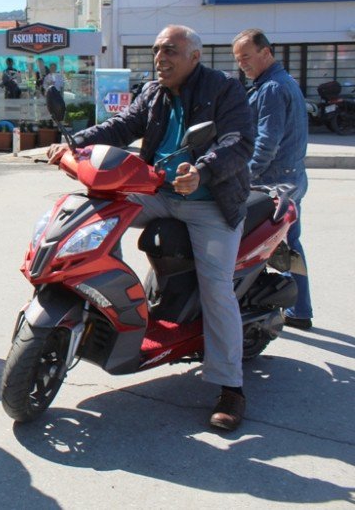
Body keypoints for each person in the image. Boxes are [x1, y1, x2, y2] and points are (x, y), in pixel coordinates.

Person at [47, 24, 254, 431]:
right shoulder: (154, 92)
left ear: (194, 56)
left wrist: (202, 172)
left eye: (170, 50)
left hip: (209, 201)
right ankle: (109, 301)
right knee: (97, 215)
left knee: (217, 290)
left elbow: (239, 141)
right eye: (157, 49)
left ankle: (230, 386)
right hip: (158, 191)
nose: (161, 57)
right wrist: (75, 146)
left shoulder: (224, 89)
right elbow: (122, 126)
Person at [232, 29, 312, 329]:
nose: (243, 64)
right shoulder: (278, 82)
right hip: (289, 175)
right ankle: (299, 311)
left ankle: (293, 310)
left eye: (247, 57)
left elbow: (267, 141)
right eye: (238, 60)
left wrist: (246, 176)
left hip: (275, 181)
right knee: (289, 245)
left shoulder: (272, 89)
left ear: (266, 52)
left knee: (274, 246)